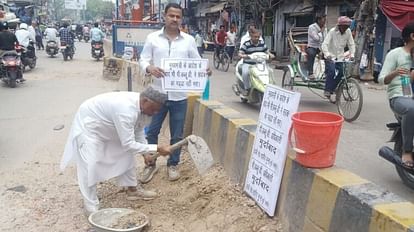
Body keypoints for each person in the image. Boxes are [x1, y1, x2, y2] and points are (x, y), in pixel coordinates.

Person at [60, 87, 173, 215]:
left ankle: (132, 190)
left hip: (109, 125)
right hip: (90, 126)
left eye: (158, 110)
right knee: (91, 164)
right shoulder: (125, 110)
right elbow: (129, 144)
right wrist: (157, 148)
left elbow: (139, 130)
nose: (156, 112)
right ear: (145, 101)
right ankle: (91, 206)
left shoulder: (144, 109)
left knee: (126, 155)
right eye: (154, 109)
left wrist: (145, 153)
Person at [139, 3, 212, 183]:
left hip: (179, 95)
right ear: (164, 16)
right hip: (157, 95)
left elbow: (196, 62)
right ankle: (150, 164)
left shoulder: (189, 40)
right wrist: (149, 67)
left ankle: (173, 164)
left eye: (178, 17)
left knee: (177, 134)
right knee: (151, 132)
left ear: (181, 19)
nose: (174, 19)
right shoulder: (152, 38)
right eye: (171, 16)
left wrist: (205, 69)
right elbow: (143, 58)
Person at [378, 21, 414, 169]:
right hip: (399, 96)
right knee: (411, 108)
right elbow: (382, 79)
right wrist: (396, 72)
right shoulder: (395, 54)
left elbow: (410, 80)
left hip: (409, 93)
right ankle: (406, 151)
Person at [321, 16, 355, 98]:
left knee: (341, 73)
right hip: (330, 56)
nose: (346, 28)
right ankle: (327, 90)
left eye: (347, 27)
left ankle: (333, 88)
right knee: (332, 71)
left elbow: (351, 44)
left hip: (340, 57)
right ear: (340, 26)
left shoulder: (348, 32)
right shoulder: (332, 32)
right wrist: (327, 54)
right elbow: (324, 44)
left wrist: (352, 54)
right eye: (345, 26)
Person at [238, 28, 268, 94]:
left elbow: (267, 51)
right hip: (248, 64)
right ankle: (247, 88)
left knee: (269, 72)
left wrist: (270, 55)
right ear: (251, 36)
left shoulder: (262, 43)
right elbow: (240, 53)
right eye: (255, 37)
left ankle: (267, 87)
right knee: (245, 73)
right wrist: (244, 56)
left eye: (258, 37)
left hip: (259, 64)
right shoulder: (246, 44)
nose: (257, 38)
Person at [306, 14, 327, 80]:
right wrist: (321, 31)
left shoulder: (324, 27)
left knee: (328, 56)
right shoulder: (312, 27)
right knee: (311, 54)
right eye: (323, 20)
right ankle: (310, 73)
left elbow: (325, 38)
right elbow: (316, 38)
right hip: (312, 46)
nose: (324, 22)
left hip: (320, 47)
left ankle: (326, 73)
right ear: (319, 20)